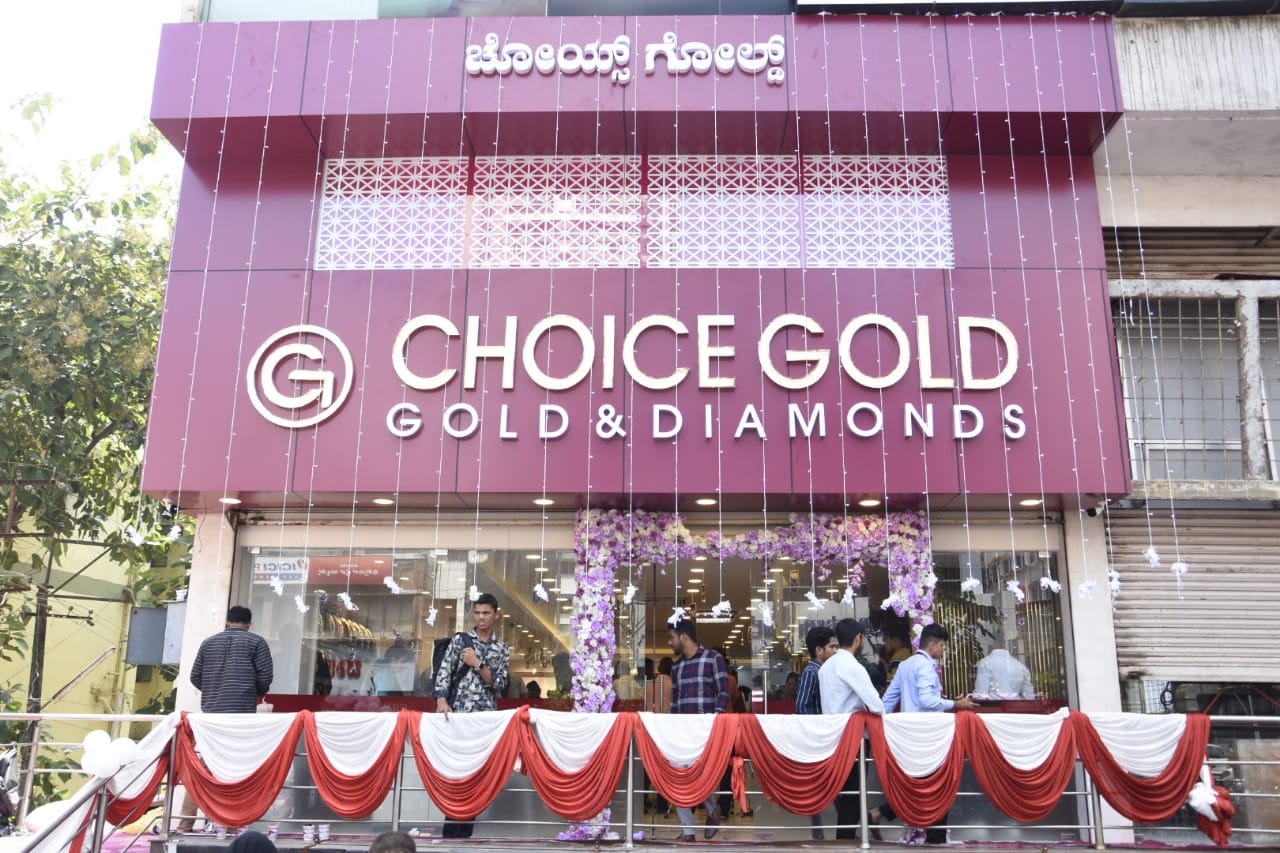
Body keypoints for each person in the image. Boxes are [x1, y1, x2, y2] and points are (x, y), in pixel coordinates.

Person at [177, 605, 273, 833]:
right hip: (241, 714)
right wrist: (252, 692)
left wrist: (214, 691)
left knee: (205, 767)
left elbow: (195, 676)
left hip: (212, 716)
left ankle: (185, 823)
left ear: (227, 622)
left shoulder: (208, 643)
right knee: (236, 767)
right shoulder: (257, 642)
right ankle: (231, 824)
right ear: (249, 624)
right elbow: (265, 677)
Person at [882, 623, 978, 845]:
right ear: (932, 645)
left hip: (909, 737)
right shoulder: (926, 666)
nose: (944, 650)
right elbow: (926, 700)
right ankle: (935, 838)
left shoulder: (905, 665)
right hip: (929, 736)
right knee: (938, 787)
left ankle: (911, 828)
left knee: (918, 786)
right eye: (943, 645)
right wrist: (955, 704)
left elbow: (887, 701)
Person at [432, 593, 510, 838]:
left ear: (496, 615)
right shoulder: (461, 641)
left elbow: (500, 684)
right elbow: (444, 671)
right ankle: (451, 833)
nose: (481, 617)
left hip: (485, 720)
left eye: (486, 613)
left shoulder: (501, 648)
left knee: (478, 775)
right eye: (477, 613)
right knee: (457, 774)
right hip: (459, 717)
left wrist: (477, 663)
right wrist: (442, 701)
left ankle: (466, 833)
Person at [818, 619, 885, 841]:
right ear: (858, 638)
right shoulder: (852, 666)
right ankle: (845, 841)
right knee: (853, 795)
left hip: (833, 736)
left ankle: (846, 840)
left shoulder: (826, 667)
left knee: (846, 794)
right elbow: (876, 705)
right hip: (854, 739)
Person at [668, 619, 730, 841]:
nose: (670, 642)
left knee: (699, 779)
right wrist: (671, 728)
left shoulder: (713, 659)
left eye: (672, 637)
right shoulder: (676, 667)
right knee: (680, 779)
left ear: (683, 636)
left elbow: (724, 692)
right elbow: (674, 702)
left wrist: (715, 722)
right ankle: (690, 830)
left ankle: (708, 815)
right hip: (682, 732)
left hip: (705, 732)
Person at [797, 626, 838, 838]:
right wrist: (817, 730)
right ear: (819, 650)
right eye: (832, 647)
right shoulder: (812, 673)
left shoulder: (825, 672)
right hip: (818, 739)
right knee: (821, 787)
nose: (836, 651)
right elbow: (802, 706)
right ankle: (818, 833)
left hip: (825, 738)